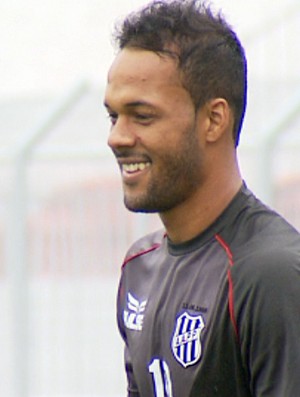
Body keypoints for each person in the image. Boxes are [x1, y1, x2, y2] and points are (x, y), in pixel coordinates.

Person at [103, 0, 300, 396]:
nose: (117, 137)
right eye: (113, 116)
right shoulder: (139, 268)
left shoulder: (270, 275)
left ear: (213, 119)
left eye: (142, 116)